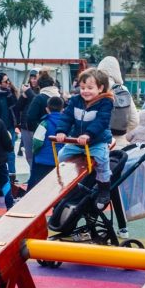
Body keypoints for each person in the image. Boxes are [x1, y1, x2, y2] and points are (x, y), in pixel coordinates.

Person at [55, 68, 114, 209]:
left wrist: (88, 134)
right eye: (82, 88)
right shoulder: (75, 101)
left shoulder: (106, 102)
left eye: (90, 88)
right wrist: (62, 131)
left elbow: (101, 121)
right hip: (77, 141)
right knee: (62, 155)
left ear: (100, 88)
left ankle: (104, 189)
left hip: (96, 140)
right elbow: (67, 117)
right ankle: (70, 184)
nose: (85, 91)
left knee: (102, 160)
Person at [97, 56, 138, 148]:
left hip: (97, 141)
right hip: (118, 141)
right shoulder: (123, 89)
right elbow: (135, 120)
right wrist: (122, 132)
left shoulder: (95, 87)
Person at [29, 96, 65, 190]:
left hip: (43, 161)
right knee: (58, 186)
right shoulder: (67, 124)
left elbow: (37, 142)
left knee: (42, 187)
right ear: (63, 109)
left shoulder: (44, 123)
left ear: (47, 109)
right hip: (62, 160)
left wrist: (36, 152)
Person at [16, 70, 40, 168]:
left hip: (36, 127)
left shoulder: (42, 90)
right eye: (32, 78)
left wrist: (28, 92)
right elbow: (18, 107)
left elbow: (37, 100)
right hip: (25, 126)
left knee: (37, 152)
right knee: (28, 154)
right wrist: (23, 96)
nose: (34, 81)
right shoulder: (27, 91)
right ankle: (31, 173)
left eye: (36, 78)